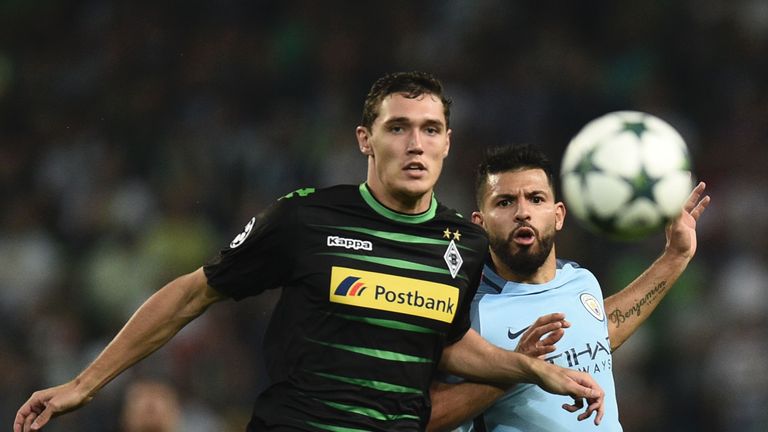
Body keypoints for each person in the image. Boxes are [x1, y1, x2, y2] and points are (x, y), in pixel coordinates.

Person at [14, 72, 605, 432]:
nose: (415, 143)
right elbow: (193, 293)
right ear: (364, 139)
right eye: (397, 127)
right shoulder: (305, 217)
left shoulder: (464, 242)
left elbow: (447, 342)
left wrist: (532, 370)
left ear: (448, 142)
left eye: (430, 129)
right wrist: (85, 384)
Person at [427, 144, 710, 431]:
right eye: (504, 202)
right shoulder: (464, 307)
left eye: (536, 199)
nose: (523, 212)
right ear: (480, 223)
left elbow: (599, 329)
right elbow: (425, 417)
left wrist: (676, 256)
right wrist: (520, 369)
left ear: (558, 215)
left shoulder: (580, 280)